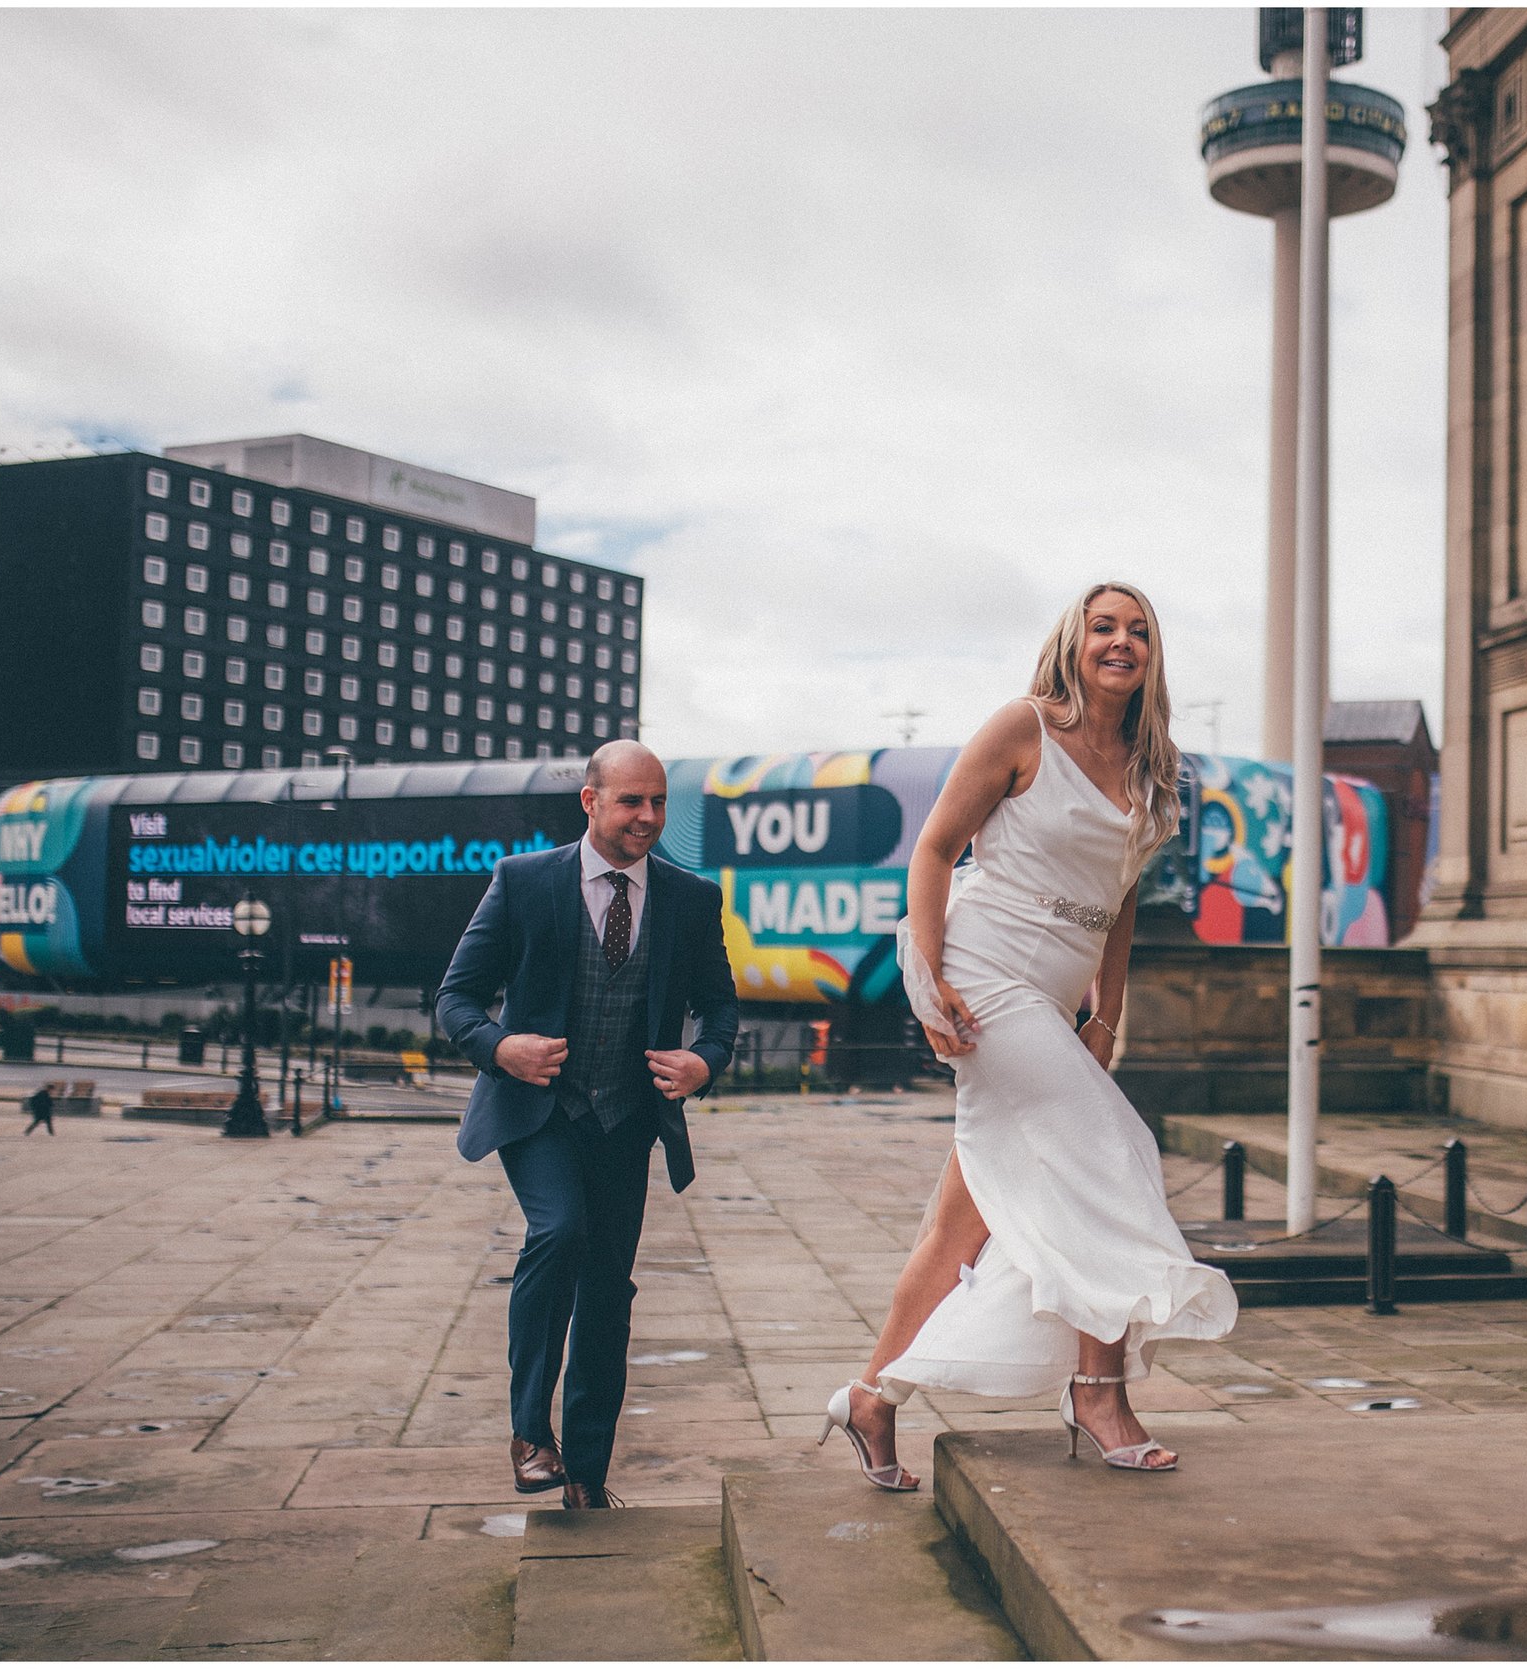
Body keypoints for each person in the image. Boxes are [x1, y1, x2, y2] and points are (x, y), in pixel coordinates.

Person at [823, 582, 1238, 1488]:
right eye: (1104, 626)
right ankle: (1098, 1388)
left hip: (1053, 1001)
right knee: (1115, 1152)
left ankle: (871, 1396)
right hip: (983, 977)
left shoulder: (1149, 766)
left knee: (956, 1230)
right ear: (1074, 640)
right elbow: (934, 849)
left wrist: (1107, 1011)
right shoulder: (1023, 727)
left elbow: (1118, 900)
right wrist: (928, 985)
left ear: (1151, 655)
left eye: (1138, 630)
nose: (1120, 640)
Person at [435, 739, 737, 1509]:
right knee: (559, 1231)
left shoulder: (691, 898)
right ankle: (531, 1433)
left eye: (659, 802)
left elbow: (721, 1006)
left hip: (627, 1118)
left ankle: (588, 1476)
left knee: (608, 1287)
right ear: (590, 801)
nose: (648, 817)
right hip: (539, 1109)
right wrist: (502, 1046)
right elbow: (455, 999)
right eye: (632, 800)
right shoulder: (524, 882)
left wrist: (705, 1060)